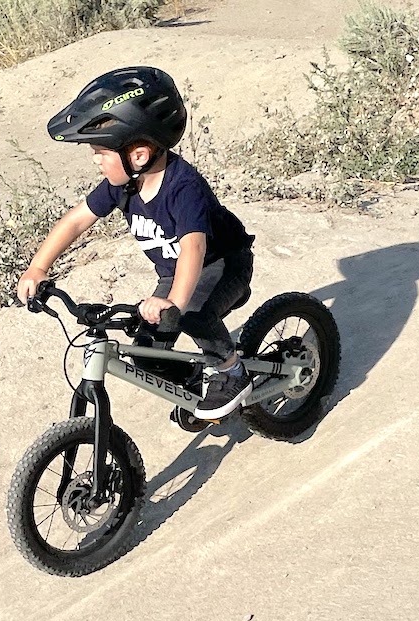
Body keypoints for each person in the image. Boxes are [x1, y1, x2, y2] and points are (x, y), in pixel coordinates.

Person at [16, 66, 255, 421]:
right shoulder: (123, 184)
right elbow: (76, 220)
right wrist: (38, 268)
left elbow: (194, 248)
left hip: (223, 265)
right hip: (175, 272)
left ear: (138, 155)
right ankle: (191, 386)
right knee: (145, 354)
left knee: (191, 315)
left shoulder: (183, 187)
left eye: (100, 151)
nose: (95, 160)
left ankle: (233, 371)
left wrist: (174, 301)